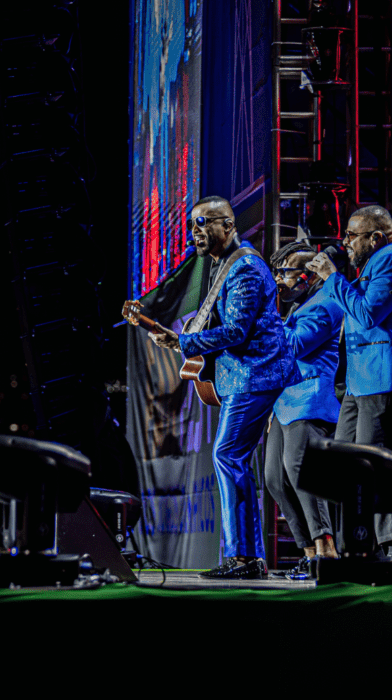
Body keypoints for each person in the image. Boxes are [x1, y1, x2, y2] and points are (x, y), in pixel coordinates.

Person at [148, 196, 299, 578]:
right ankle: (247, 557)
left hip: (256, 374)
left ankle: (243, 558)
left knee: (228, 456)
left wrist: (184, 342)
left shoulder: (244, 266)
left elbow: (237, 331)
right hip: (244, 375)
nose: (195, 232)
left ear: (228, 226)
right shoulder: (224, 265)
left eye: (203, 223)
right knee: (235, 460)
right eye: (192, 225)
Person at [308, 205, 392, 559]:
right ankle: (354, 546)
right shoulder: (370, 266)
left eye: (352, 235)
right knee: (343, 466)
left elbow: (368, 313)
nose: (346, 242)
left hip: (384, 377)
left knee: (373, 468)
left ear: (375, 237)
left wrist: (333, 277)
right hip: (359, 382)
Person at [264, 241, 343, 577]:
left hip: (310, 400)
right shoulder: (300, 306)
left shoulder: (327, 303)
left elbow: (294, 345)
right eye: (278, 271)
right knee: (274, 479)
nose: (279, 279)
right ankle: (309, 552)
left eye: (285, 271)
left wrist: (266, 313)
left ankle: (328, 550)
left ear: (309, 274)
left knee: (300, 471)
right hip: (284, 404)